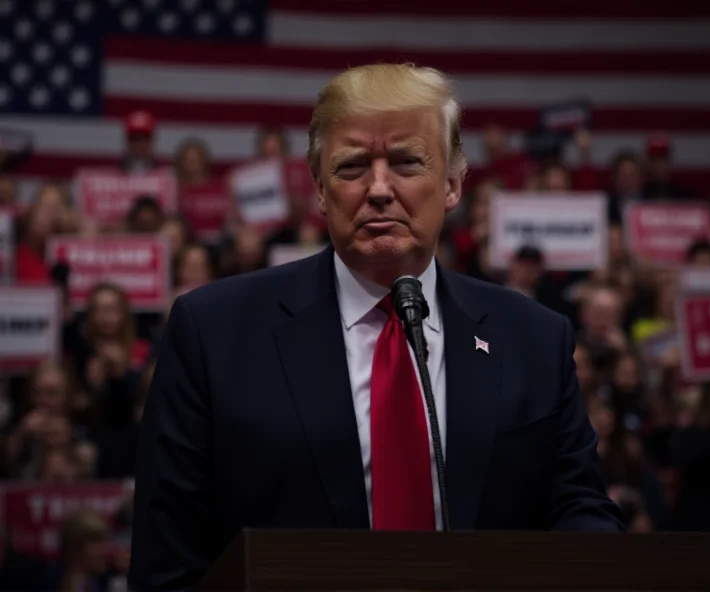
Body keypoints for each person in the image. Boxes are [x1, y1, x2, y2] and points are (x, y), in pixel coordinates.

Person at [130, 63, 622, 590]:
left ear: (454, 184)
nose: (380, 188)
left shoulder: (534, 338)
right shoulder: (213, 333)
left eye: (408, 162)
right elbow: (169, 562)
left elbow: (578, 510)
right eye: (351, 167)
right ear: (319, 188)